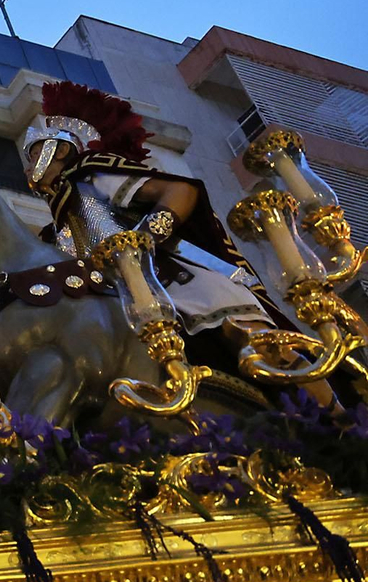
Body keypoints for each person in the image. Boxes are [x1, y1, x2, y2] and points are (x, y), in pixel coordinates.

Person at [22, 81, 289, 378]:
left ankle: (322, 402)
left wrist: (142, 242)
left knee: (245, 332)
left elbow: (180, 193)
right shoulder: (55, 226)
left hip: (169, 277)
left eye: (33, 156)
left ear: (58, 151)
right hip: (118, 301)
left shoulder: (91, 174)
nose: (27, 168)